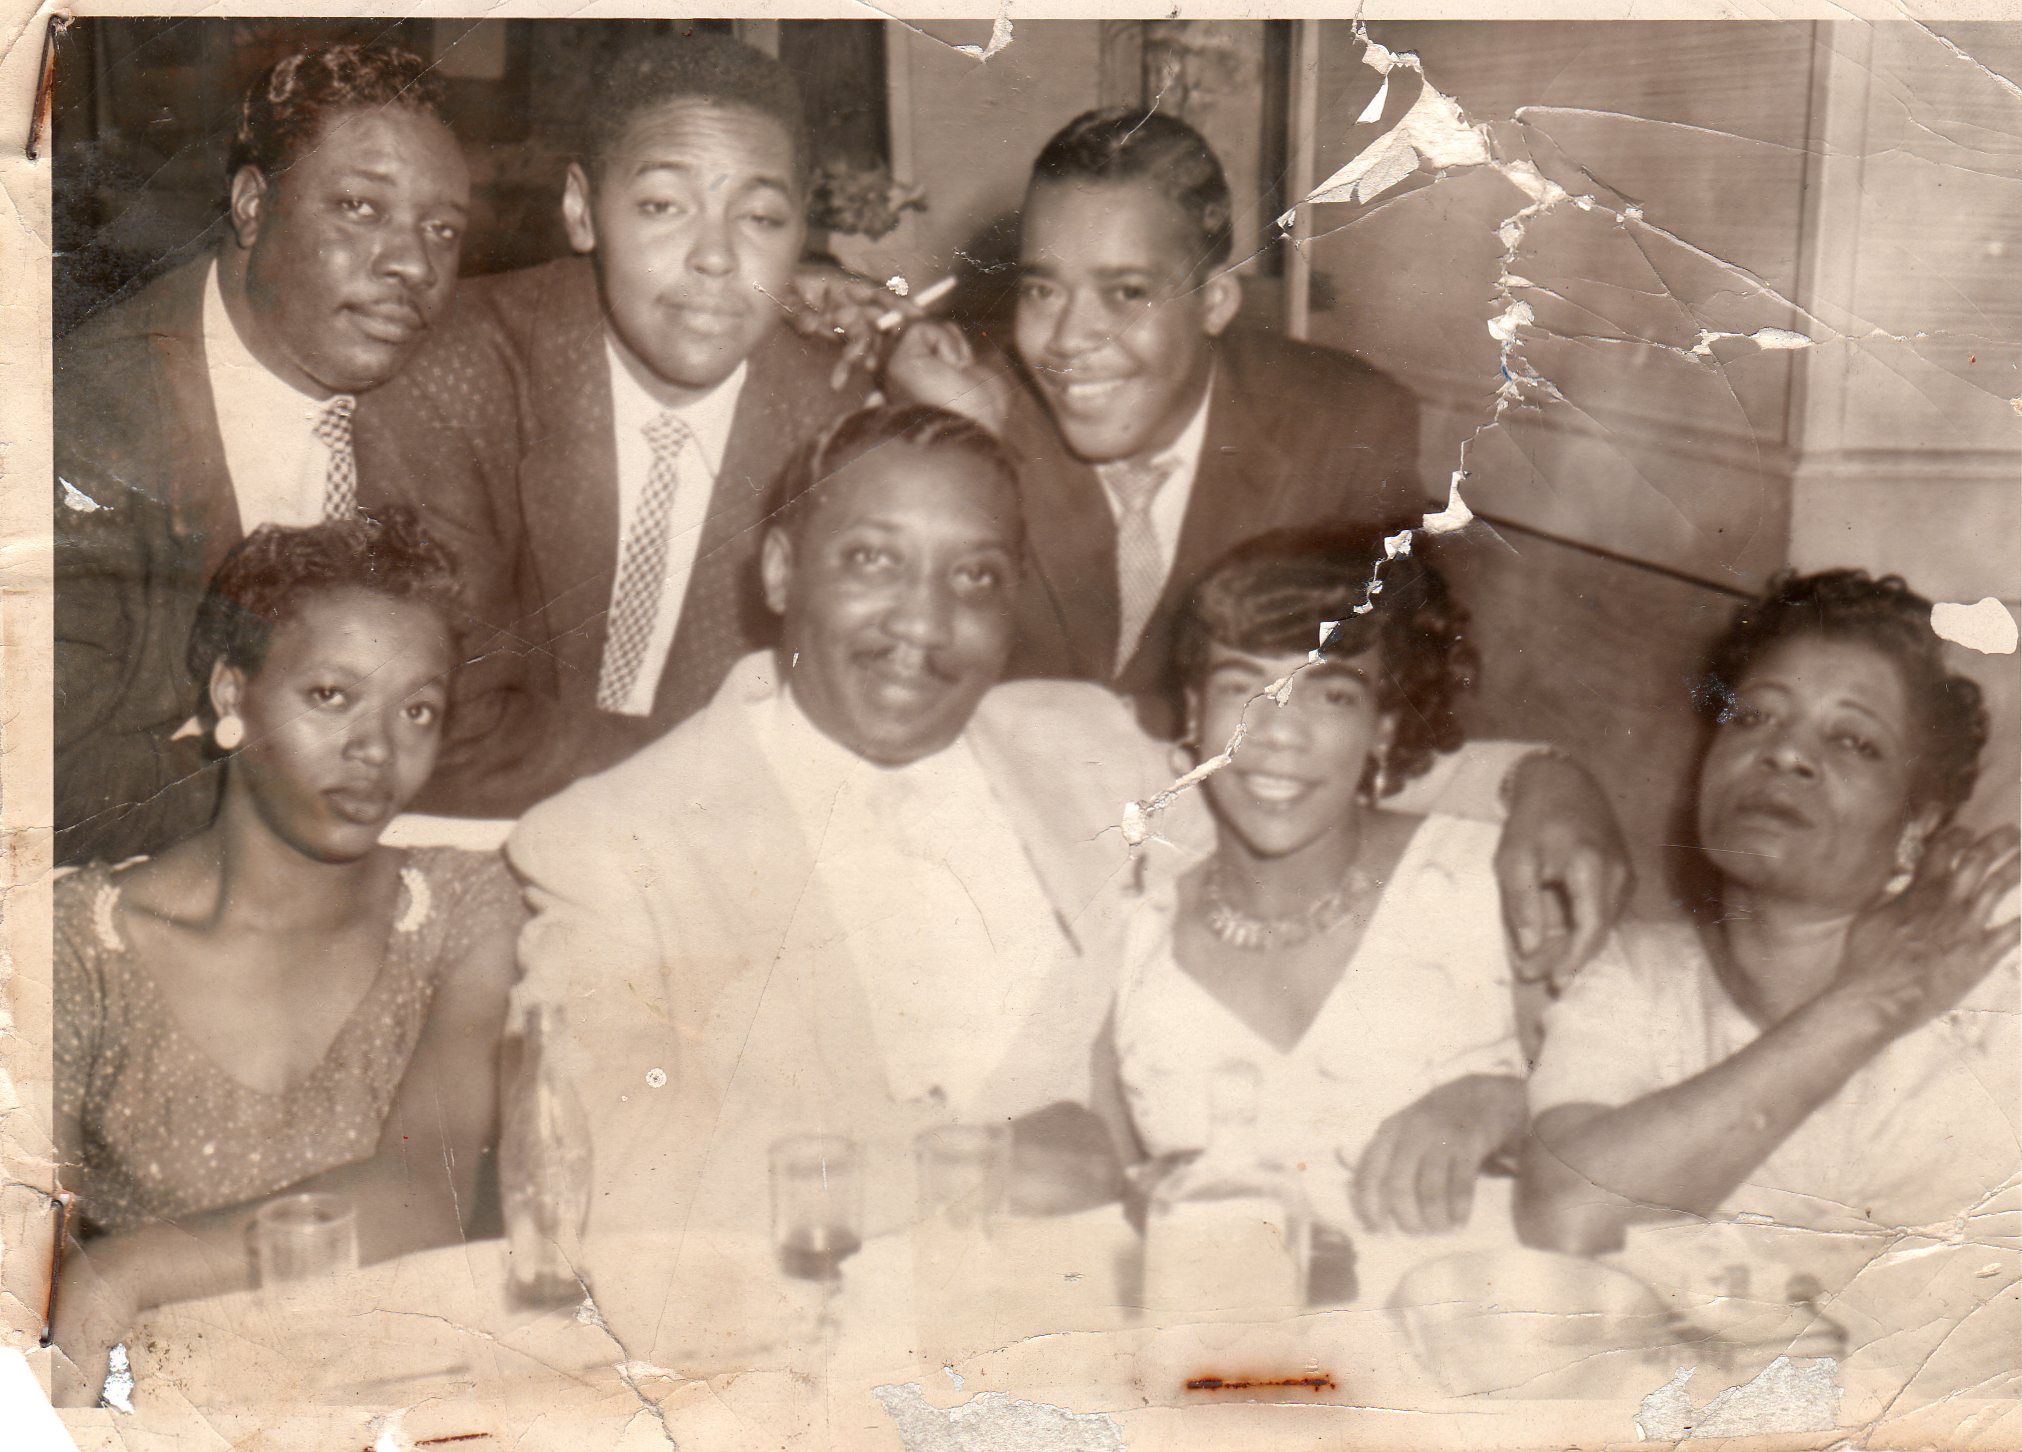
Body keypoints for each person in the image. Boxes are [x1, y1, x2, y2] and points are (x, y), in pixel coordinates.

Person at [507, 402, 1628, 1326]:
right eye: (873, 561)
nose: (923, 623)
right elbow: (603, 1168)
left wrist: (1543, 782)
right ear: (781, 569)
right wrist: (971, 1166)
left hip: (1120, 1330)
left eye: (975, 577)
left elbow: (1293, 768)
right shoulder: (616, 839)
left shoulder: (1076, 741)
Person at [50, 511, 520, 1403]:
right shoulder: (76, 943)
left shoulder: (460, 906)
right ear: (232, 696)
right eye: (332, 696)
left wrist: (128, 1269)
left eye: (417, 710)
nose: (377, 749)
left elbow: (426, 1192)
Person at [367, 32, 872, 818]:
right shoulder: (458, 376)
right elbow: (435, 721)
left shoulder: (842, 427)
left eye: (761, 217)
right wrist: (724, 771)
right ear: (581, 211)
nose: (715, 257)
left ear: (801, 230)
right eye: (664, 207)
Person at [1518, 570, 2019, 1271]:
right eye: (1753, 717)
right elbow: (1569, 1214)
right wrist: (1866, 1005)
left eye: (1854, 741)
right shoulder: (1634, 973)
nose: (1785, 753)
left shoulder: (1993, 958)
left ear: (1917, 825)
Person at [55, 41, 473, 867]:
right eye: (360, 207)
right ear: (252, 205)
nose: (413, 264)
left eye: (443, 229)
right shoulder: (81, 420)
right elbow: (40, 777)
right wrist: (283, 784)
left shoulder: (444, 393)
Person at [889, 108, 1422, 717]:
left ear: (1214, 302)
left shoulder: (1349, 429)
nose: (1068, 339)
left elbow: (1405, 694)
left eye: (1127, 293)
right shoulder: (966, 404)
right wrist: (968, 452)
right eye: (1042, 290)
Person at [1112, 530, 1528, 1248]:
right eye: (1241, 686)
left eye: (1333, 695)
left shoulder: (1489, 880)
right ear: (1194, 713)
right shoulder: (1135, 936)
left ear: (1383, 727)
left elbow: (1629, 1113)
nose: (1280, 733)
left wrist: (1511, 1104)